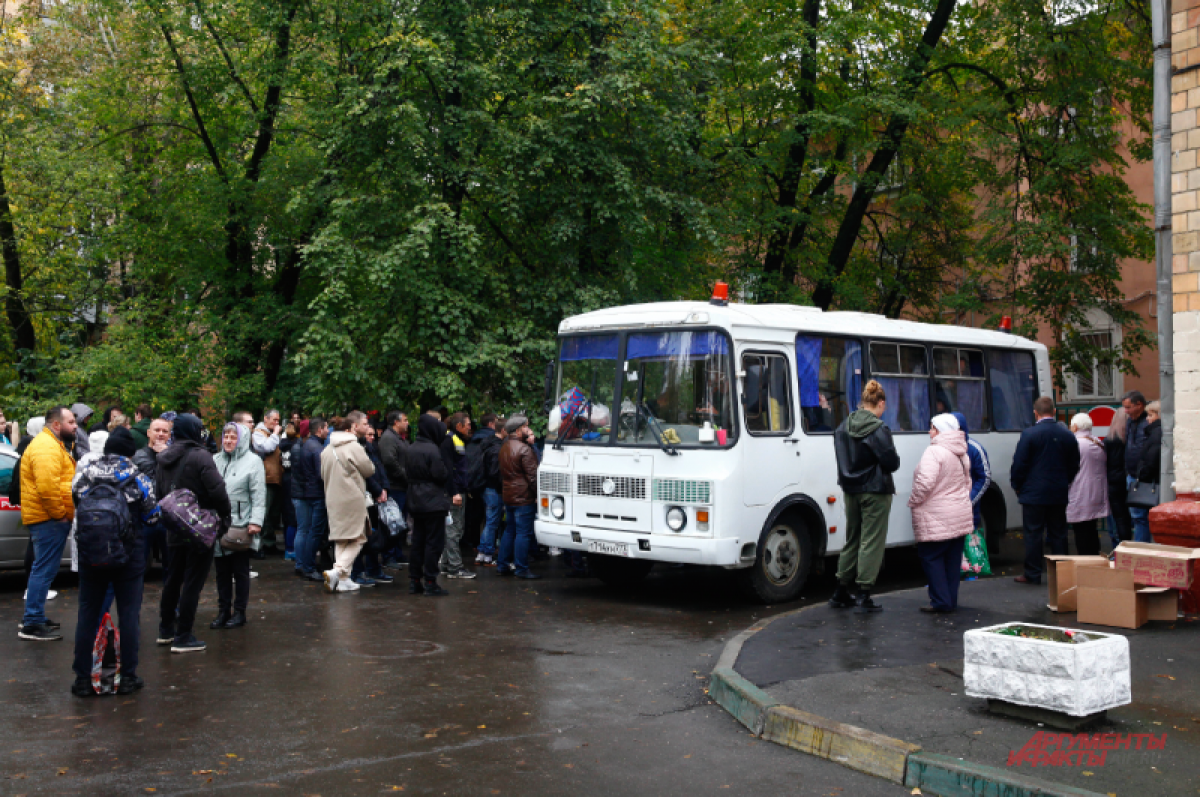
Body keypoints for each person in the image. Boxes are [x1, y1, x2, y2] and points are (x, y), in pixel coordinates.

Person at [70, 427, 159, 697]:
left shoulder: (86, 474)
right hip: (129, 556)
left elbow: (76, 500)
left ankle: (83, 679)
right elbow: (153, 516)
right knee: (129, 614)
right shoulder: (138, 477)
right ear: (130, 452)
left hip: (91, 553)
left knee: (87, 613)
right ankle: (127, 678)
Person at [157, 413, 231, 653]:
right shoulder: (201, 456)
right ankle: (184, 635)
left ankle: (166, 630)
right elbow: (217, 490)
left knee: (173, 579)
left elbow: (160, 492)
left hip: (174, 525)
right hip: (200, 526)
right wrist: (224, 517)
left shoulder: (163, 457)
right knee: (193, 582)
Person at [829, 380, 899, 612]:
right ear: (879, 403)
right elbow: (891, 462)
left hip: (851, 490)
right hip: (875, 490)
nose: (884, 412)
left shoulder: (842, 427)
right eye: (884, 407)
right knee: (871, 541)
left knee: (853, 539)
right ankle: (863, 594)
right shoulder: (879, 429)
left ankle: (840, 591)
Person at [18, 406, 78, 641]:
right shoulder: (45, 447)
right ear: (56, 425)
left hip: (48, 518)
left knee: (43, 569)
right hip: (48, 519)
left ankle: (34, 617)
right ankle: (32, 622)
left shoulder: (51, 444)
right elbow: (46, 487)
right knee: (43, 570)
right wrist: (60, 514)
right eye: (71, 422)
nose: (75, 426)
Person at [1011, 396, 1081, 585]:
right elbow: (1075, 463)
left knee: (1033, 534)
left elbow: (1019, 464)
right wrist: (1066, 481)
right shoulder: (1067, 435)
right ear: (1055, 411)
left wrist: (1017, 485)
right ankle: (1062, 573)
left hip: (1033, 492)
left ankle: (1033, 573)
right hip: (1058, 490)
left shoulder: (1029, 434)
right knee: (1059, 532)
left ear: (1036, 413)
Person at [908, 414, 974, 613]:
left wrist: (914, 501)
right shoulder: (962, 453)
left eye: (932, 428)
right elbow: (967, 483)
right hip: (958, 514)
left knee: (931, 557)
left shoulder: (934, 452)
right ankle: (950, 600)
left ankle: (940, 601)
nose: (929, 432)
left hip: (935, 515)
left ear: (941, 430)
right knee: (952, 561)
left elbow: (925, 483)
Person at [211, 422, 266, 629]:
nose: (228, 441)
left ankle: (240, 611)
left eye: (233, 437)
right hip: (218, 525)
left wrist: (256, 521)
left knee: (240, 571)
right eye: (226, 436)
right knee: (221, 571)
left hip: (241, 525)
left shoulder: (253, 462)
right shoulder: (215, 459)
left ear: (241, 439)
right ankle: (223, 611)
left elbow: (258, 495)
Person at [319, 412, 376, 593]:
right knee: (359, 537)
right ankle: (338, 571)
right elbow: (369, 469)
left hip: (332, 498)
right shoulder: (353, 446)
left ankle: (343, 580)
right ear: (352, 427)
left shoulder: (327, 449)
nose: (367, 427)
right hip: (352, 498)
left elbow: (322, 475)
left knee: (342, 538)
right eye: (365, 423)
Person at [406, 414, 452, 596]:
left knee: (418, 540)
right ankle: (431, 581)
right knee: (434, 542)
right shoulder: (432, 450)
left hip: (415, 499)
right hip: (432, 500)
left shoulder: (411, 447)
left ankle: (415, 580)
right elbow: (440, 474)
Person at [498, 415, 541, 580]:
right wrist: (537, 494)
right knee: (523, 533)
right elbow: (533, 477)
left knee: (510, 530)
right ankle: (521, 568)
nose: (528, 430)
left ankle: (502, 565)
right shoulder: (524, 449)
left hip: (509, 494)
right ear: (518, 430)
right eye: (526, 427)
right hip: (523, 497)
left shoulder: (504, 447)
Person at [351, 422, 392, 586]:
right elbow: (367, 474)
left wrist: (385, 488)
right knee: (361, 536)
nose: (372, 438)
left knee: (373, 535)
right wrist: (378, 490)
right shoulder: (358, 449)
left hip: (376, 496)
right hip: (365, 497)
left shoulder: (373, 449)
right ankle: (359, 571)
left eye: (373, 435)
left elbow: (380, 469)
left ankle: (373, 569)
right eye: (369, 434)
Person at [133, 417, 174, 574]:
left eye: (165, 431)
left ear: (169, 435)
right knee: (138, 564)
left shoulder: (173, 456)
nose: (161, 434)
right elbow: (150, 485)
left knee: (170, 565)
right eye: (157, 430)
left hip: (168, 517)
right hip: (144, 518)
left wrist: (166, 457)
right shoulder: (139, 456)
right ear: (149, 433)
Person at [439, 412, 476, 579]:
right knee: (453, 530)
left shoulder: (456, 440)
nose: (470, 427)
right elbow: (448, 469)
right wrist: (454, 492)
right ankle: (455, 567)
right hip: (454, 492)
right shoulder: (450, 440)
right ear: (459, 426)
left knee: (455, 529)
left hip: (458, 490)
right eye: (467, 424)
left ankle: (446, 565)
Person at [292, 418, 329, 582]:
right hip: (316, 494)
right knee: (314, 532)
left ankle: (305, 564)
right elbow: (322, 474)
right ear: (319, 430)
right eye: (326, 428)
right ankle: (308, 566)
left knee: (307, 531)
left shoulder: (306, 446)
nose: (328, 431)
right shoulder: (317, 449)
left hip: (308, 492)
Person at [1066, 413, 1108, 556]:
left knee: (1081, 531)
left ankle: (1085, 562)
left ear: (1075, 426)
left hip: (1080, 492)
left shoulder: (1076, 444)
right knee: (1091, 529)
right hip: (1096, 492)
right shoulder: (1097, 442)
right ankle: (1094, 557)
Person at [949, 411, 991, 547]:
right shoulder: (941, 448)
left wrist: (969, 500)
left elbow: (984, 478)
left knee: (971, 557)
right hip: (948, 513)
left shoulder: (974, 449)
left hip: (969, 512)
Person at [468, 413, 504, 567]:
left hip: (483, 486)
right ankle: (487, 553)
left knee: (489, 520)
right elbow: (495, 472)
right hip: (493, 488)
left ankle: (482, 552)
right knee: (492, 521)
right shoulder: (496, 448)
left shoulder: (483, 443)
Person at [378, 411, 410, 567]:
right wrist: (405, 476)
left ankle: (396, 553)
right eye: (405, 420)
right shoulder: (389, 438)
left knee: (399, 522)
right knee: (392, 522)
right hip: (394, 486)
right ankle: (389, 556)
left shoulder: (398, 438)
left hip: (401, 486)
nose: (407, 423)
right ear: (396, 422)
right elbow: (390, 461)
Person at [249, 409, 284, 555]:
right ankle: (258, 546)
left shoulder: (270, 434)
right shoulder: (258, 433)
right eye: (274, 420)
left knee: (273, 515)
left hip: (275, 479)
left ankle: (270, 543)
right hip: (264, 479)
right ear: (266, 419)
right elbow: (265, 447)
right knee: (263, 513)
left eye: (278, 420)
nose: (277, 423)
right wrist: (276, 434)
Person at [1121, 391, 1153, 545]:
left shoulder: (1148, 421)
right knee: (1137, 516)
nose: (1126, 411)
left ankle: (1142, 549)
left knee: (1142, 517)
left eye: (1128, 407)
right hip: (1133, 476)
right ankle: (1140, 548)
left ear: (1139, 405)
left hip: (1144, 477)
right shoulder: (1130, 422)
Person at [1130, 401, 1162, 543]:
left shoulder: (1156, 434)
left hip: (1148, 483)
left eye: (1150, 415)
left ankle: (1141, 549)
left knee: (1141, 519)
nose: (1147, 419)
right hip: (1152, 481)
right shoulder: (1155, 433)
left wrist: (1140, 476)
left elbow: (1151, 461)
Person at [1103, 407, 1133, 549]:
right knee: (1134, 518)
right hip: (1130, 480)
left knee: (1118, 518)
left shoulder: (1109, 441)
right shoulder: (1131, 440)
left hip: (1113, 482)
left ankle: (1120, 547)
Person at [279, 419, 303, 561]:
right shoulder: (297, 446)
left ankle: (289, 548)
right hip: (294, 479)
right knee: (294, 518)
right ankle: (291, 548)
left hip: (285, 478)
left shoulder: (283, 445)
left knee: (288, 516)